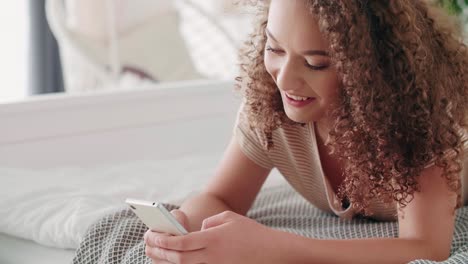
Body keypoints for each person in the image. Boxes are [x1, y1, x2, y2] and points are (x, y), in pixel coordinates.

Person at [144, 0, 468, 263]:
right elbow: (222, 197)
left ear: (371, 68)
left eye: (315, 64)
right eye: (275, 49)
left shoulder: (420, 116)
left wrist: (275, 248)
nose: (284, 80)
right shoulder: (269, 105)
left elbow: (426, 248)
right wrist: (185, 227)